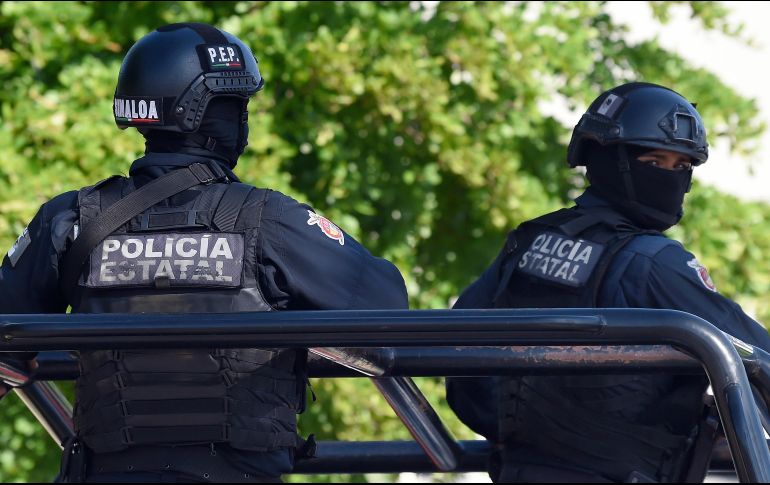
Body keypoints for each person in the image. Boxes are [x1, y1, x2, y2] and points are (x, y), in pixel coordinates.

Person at [0, 23, 408, 483]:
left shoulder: (70, 219)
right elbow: (388, 308)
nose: (242, 121)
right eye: (234, 106)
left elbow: (5, 338)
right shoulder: (269, 219)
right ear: (200, 111)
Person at [446, 82, 770, 483]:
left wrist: (526, 437)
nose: (669, 177)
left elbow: (460, 362)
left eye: (681, 166)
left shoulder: (529, 240)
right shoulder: (654, 262)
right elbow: (758, 358)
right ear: (609, 158)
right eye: (654, 160)